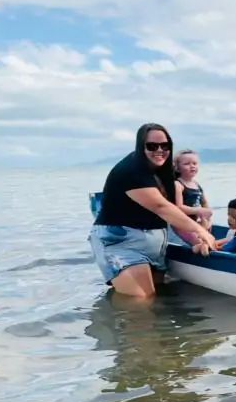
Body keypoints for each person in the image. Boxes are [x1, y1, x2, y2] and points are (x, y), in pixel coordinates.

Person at [89, 123, 216, 299]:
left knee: (159, 298)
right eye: (152, 146)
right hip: (121, 242)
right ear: (140, 147)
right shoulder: (131, 171)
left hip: (155, 246)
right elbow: (161, 208)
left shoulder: (165, 173)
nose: (159, 150)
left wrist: (197, 241)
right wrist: (200, 229)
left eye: (164, 146)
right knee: (140, 301)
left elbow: (173, 215)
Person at [174, 149, 213, 230]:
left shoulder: (196, 184)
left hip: (198, 220)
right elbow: (179, 207)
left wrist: (207, 214)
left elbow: (204, 202)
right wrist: (198, 210)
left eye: (194, 163)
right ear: (177, 168)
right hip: (184, 223)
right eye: (187, 164)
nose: (192, 166)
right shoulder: (178, 184)